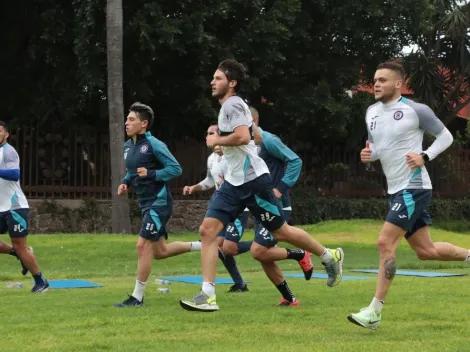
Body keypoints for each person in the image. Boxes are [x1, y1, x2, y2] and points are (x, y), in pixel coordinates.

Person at [180, 59, 344, 312]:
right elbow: (255, 136)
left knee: (282, 233)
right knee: (207, 230)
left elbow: (246, 137)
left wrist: (221, 141)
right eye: (213, 78)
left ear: (232, 83)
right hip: (234, 183)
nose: (213, 82)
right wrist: (234, 141)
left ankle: (328, 255)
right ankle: (208, 295)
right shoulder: (237, 106)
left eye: (218, 78)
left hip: (254, 182)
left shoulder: (232, 104)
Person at [347, 61, 469, 329]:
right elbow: (378, 148)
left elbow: (446, 137)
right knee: (427, 251)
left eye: (383, 80)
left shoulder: (416, 110)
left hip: (414, 188)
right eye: (375, 79)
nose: (376, 84)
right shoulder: (371, 112)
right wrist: (369, 155)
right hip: (395, 190)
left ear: (399, 84)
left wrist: (425, 156)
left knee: (384, 243)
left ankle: (374, 312)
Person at [114, 102, 201, 307]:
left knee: (142, 246)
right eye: (127, 119)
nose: (126, 123)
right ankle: (204, 246)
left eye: (131, 119)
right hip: (145, 203)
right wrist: (125, 182)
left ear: (144, 124)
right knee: (160, 252)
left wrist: (152, 174)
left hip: (158, 202)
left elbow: (176, 169)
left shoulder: (155, 145)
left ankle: (137, 297)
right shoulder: (128, 147)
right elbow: (132, 171)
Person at [248, 106, 313, 307]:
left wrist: (280, 188)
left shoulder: (268, 140)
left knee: (258, 251)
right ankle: (289, 298)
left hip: (277, 205)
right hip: (260, 206)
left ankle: (301, 253)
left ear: (254, 120)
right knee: (264, 256)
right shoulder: (246, 144)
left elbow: (295, 160)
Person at [183, 123, 252, 292]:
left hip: (238, 209)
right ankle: (240, 284)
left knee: (227, 247)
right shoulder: (211, 159)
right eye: (207, 133)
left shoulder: (233, 154)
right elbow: (210, 181)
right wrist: (194, 188)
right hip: (222, 208)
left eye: (211, 133)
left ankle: (262, 244)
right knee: (219, 248)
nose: (208, 136)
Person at [0, 120, 49, 293]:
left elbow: (14, 174)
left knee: (19, 244)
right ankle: (18, 253)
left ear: (6, 134)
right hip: (0, 207)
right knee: (18, 249)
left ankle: (41, 282)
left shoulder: (9, 151)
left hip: (15, 206)